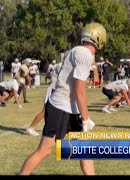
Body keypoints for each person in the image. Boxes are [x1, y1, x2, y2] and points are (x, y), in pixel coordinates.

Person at [19, 22, 107, 175]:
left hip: (71, 107)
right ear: (99, 39)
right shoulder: (84, 54)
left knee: (84, 149)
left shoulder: (77, 51)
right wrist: (86, 118)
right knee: (45, 150)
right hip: (61, 107)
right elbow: (79, 89)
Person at [26, 63, 62, 136]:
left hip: (57, 89)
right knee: (45, 111)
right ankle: (31, 128)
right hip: (54, 89)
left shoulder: (62, 65)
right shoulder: (61, 66)